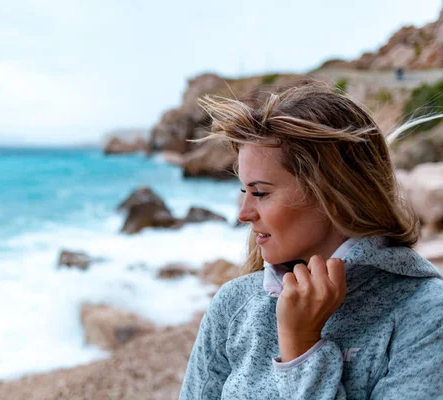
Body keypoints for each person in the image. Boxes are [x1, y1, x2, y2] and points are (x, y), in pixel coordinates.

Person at [179, 83, 443, 399]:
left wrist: (300, 349)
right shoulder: (234, 304)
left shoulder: (427, 314)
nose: (244, 214)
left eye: (260, 192)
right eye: (243, 191)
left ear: (332, 194)